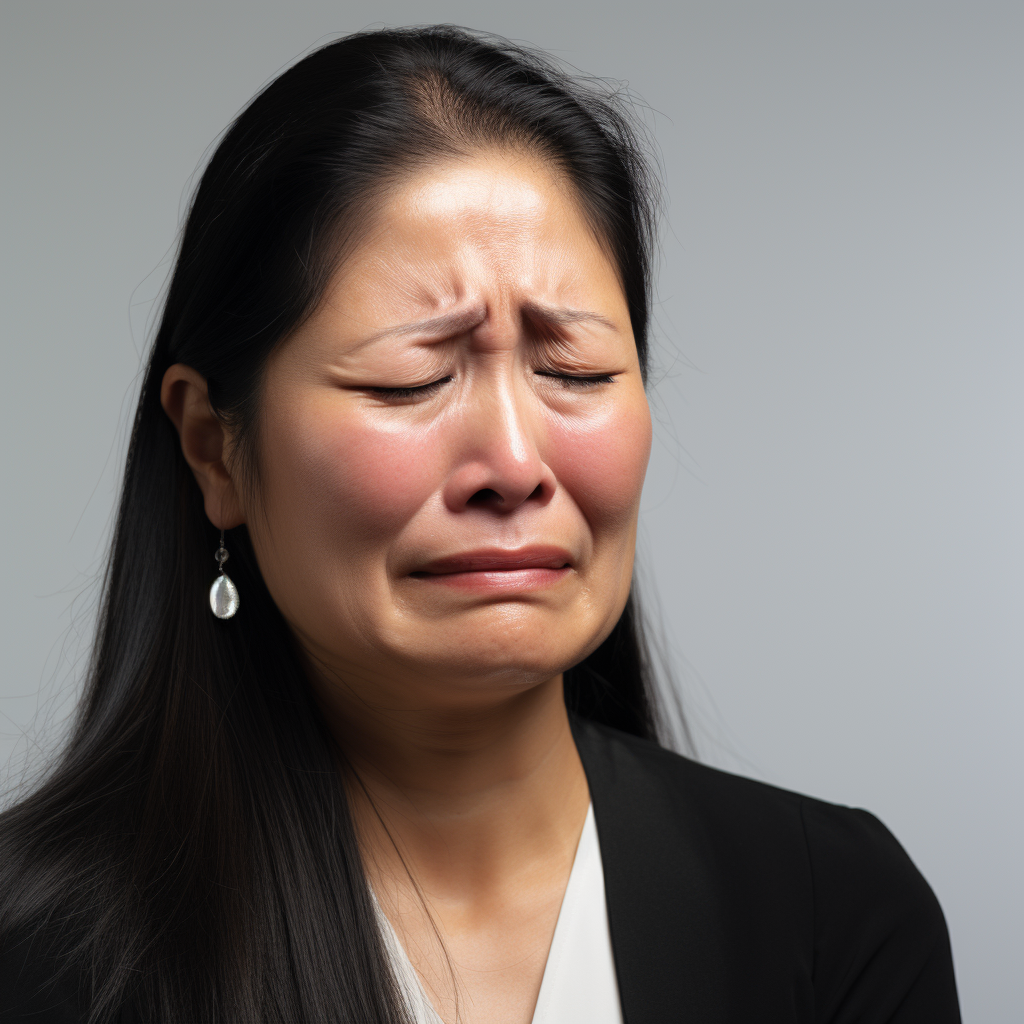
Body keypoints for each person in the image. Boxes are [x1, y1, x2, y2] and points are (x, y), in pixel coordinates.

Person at [0, 25, 960, 1024]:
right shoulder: (37, 955)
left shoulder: (833, 916)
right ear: (213, 446)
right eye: (410, 377)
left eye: (574, 371)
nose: (513, 462)